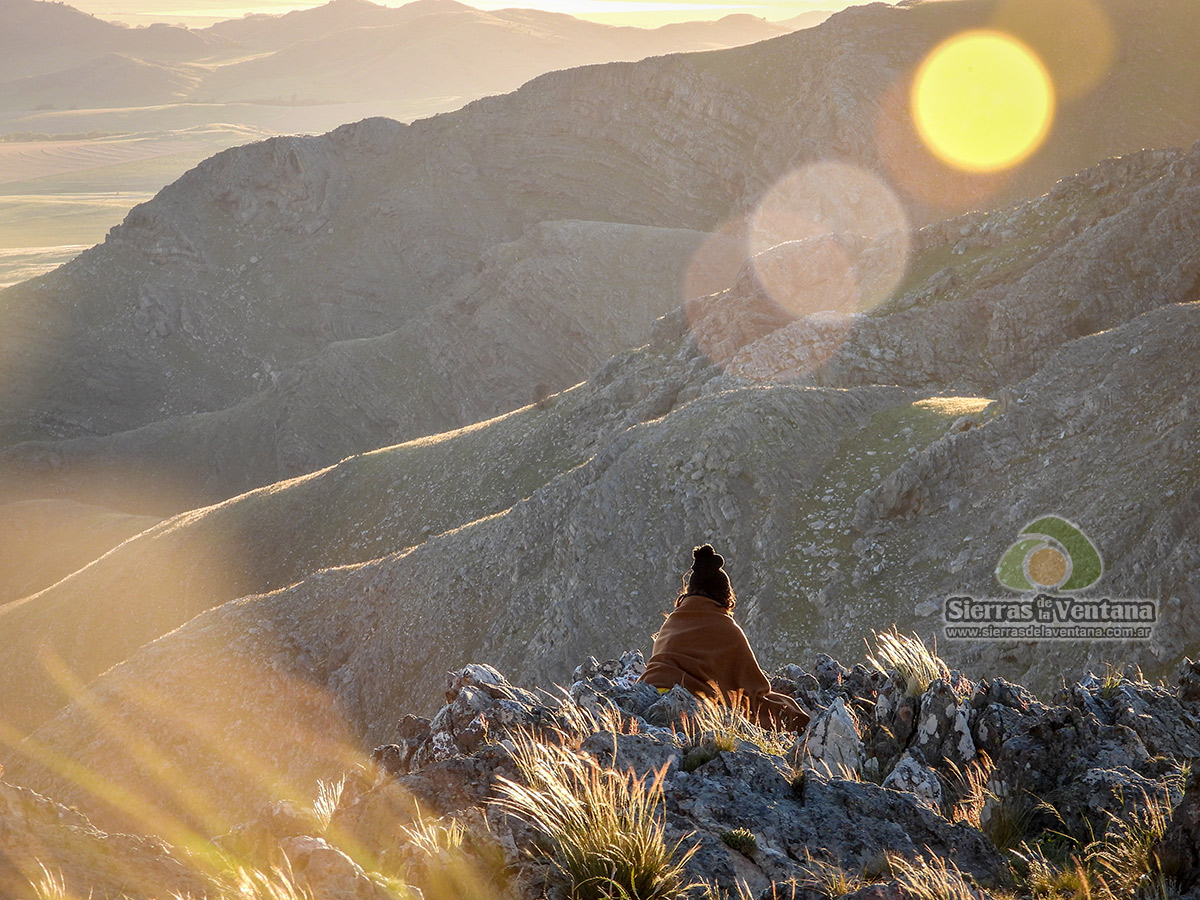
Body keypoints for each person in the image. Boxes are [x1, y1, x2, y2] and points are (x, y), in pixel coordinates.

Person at [639, 544, 810, 731]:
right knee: (785, 709)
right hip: (689, 699)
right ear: (725, 594)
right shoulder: (726, 628)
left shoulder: (672, 621)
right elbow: (755, 687)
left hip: (649, 690)